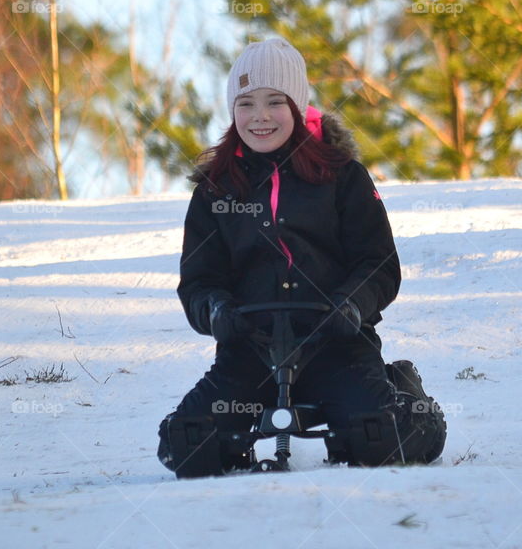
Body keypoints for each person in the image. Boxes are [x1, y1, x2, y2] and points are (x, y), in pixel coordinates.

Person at [157, 38, 446, 478]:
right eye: (247, 103)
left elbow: (380, 264)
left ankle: (403, 392)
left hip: (335, 344)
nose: (260, 117)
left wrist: (350, 305)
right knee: (188, 447)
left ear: (297, 105)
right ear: (233, 111)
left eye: (275, 102)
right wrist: (216, 312)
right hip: (249, 351)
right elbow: (198, 281)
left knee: (378, 440)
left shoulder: (341, 175)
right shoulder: (215, 191)